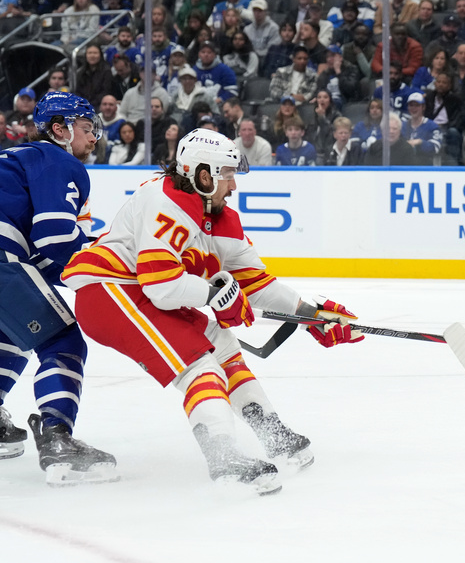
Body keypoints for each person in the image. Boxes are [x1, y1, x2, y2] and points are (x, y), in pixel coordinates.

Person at [62, 129, 364, 494]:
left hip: (137, 292)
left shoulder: (219, 217)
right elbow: (162, 287)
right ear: (203, 175)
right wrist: (214, 294)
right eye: (228, 175)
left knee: (222, 343)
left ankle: (272, 432)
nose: (233, 186)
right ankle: (224, 456)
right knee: (199, 363)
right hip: (109, 291)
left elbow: (257, 284)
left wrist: (311, 315)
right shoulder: (165, 200)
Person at [0, 92, 118, 485]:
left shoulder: (18, 159)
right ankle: (57, 438)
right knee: (63, 342)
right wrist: (105, 267)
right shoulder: (58, 160)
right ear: (60, 129)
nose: (93, 138)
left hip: (7, 257)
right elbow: (54, 240)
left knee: (16, 332)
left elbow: (40, 252)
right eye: (87, 128)